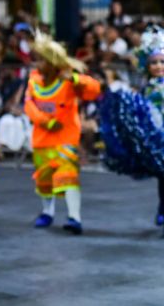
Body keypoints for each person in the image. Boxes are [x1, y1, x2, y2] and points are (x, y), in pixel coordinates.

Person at [25, 31, 101, 235]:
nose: (37, 63)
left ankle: (74, 217)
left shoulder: (68, 81)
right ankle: (47, 212)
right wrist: (46, 122)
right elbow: (29, 106)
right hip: (41, 139)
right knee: (44, 179)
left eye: (41, 60)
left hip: (66, 138)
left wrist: (76, 78)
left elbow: (94, 90)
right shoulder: (33, 81)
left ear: (52, 62)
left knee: (68, 175)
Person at [100, 25, 164, 234]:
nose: (158, 66)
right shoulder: (147, 87)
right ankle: (162, 207)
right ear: (147, 65)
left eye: (162, 62)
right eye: (154, 63)